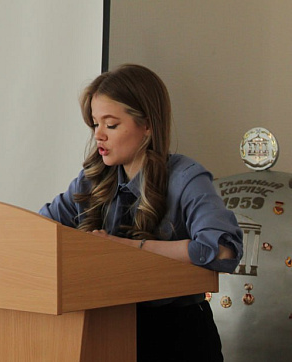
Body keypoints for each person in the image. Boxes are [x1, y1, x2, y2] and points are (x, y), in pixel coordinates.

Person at [39, 64, 243, 362]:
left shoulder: (186, 177)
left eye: (111, 125)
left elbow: (223, 250)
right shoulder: (92, 179)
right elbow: (40, 229)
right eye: (95, 124)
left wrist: (128, 249)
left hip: (178, 334)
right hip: (107, 328)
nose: (98, 136)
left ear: (147, 125)